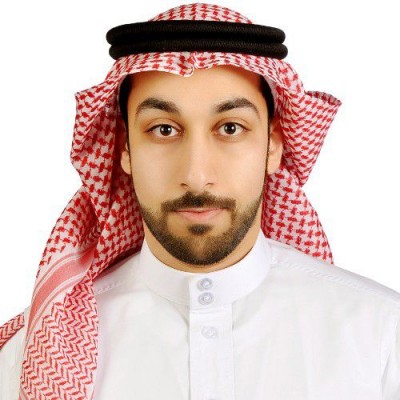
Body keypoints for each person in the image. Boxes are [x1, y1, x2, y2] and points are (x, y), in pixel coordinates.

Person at [0, 2, 399, 399]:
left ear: (274, 144)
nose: (195, 175)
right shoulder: (31, 357)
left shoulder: (382, 337)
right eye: (163, 129)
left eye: (230, 128)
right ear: (124, 147)